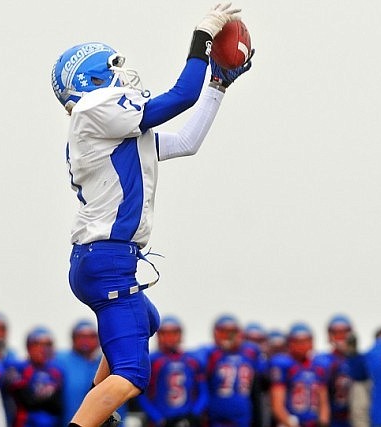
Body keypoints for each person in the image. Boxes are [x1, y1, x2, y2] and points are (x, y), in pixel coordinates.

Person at [50, 1, 253, 425]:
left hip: (104, 258)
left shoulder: (113, 130)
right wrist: (203, 35)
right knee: (132, 374)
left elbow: (185, 142)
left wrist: (217, 85)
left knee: (146, 320)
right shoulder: (94, 111)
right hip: (107, 260)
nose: (123, 73)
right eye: (113, 66)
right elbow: (181, 96)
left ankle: (99, 408)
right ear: (91, 78)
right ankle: (90, 415)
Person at [136, 315, 208, 426]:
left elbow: (203, 392)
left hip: (186, 420)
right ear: (159, 336)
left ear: (180, 335)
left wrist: (193, 415)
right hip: (161, 420)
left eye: (174, 333)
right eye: (165, 334)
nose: (170, 338)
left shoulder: (192, 361)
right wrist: (158, 418)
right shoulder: (151, 361)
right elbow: (141, 396)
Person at [204, 314, 263, 427]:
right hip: (216, 417)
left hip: (243, 417)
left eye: (232, 332)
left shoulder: (251, 353)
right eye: (224, 332)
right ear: (215, 333)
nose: (228, 337)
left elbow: (260, 386)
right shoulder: (211, 354)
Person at [55, 320, 116, 427]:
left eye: (91, 336)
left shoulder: (107, 362)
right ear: (73, 338)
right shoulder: (60, 360)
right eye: (81, 336)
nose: (86, 341)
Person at [269, 322, 330, 427]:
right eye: (298, 342)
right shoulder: (283, 364)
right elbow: (277, 405)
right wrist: (290, 422)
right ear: (290, 343)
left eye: (306, 341)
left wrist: (323, 422)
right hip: (290, 422)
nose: (302, 345)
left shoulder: (319, 365)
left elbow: (323, 402)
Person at [7, 326, 63, 427]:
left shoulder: (56, 371)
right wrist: (46, 401)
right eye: (37, 344)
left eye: (47, 345)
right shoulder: (19, 368)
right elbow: (27, 401)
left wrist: (40, 400)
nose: (42, 349)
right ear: (28, 347)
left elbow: (57, 406)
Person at [314, 315, 356, 427]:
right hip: (332, 418)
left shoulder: (358, 360)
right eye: (337, 333)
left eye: (344, 333)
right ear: (330, 335)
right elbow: (321, 394)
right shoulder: (324, 360)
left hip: (354, 417)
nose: (341, 337)